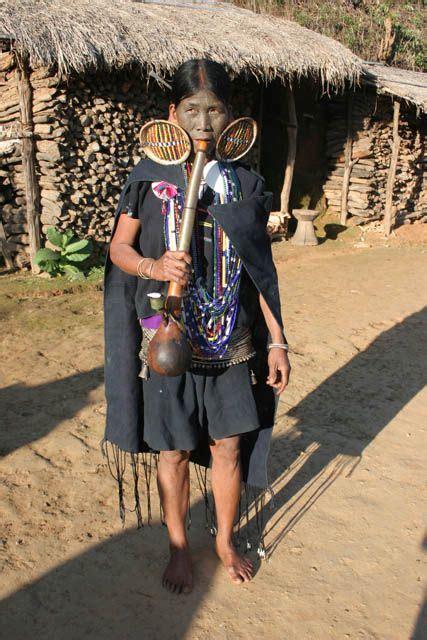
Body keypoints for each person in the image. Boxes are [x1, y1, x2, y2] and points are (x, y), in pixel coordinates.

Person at [103, 59, 291, 594]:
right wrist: (153, 267)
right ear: (172, 115)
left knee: (228, 447)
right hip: (170, 339)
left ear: (231, 117)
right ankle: (180, 547)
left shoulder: (247, 182)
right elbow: (118, 247)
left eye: (214, 110)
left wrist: (276, 340)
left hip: (230, 342)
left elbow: (261, 271)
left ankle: (225, 541)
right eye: (192, 110)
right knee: (174, 450)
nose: (203, 122)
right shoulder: (149, 179)